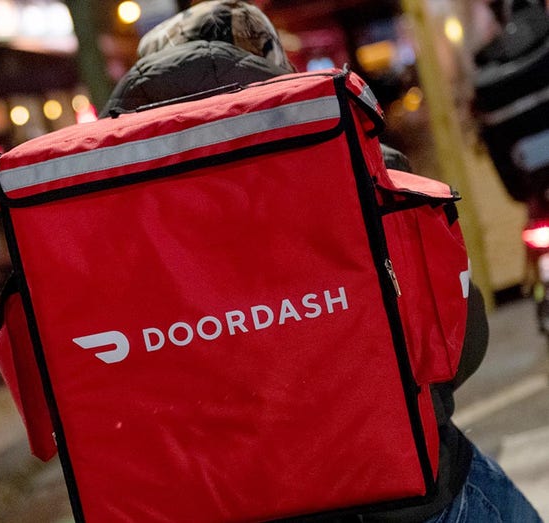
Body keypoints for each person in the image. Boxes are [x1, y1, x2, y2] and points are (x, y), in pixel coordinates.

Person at [99, 2, 541, 522]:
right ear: (268, 64)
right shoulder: (360, 164)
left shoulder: (111, 230)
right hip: (411, 500)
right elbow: (460, 341)